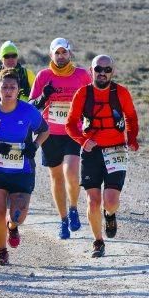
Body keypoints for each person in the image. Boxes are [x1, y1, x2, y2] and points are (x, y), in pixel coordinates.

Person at [0, 69, 50, 266]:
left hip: (22, 171)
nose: (8, 91)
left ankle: (12, 226)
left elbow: (44, 130)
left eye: (12, 87)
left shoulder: (28, 111)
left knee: (19, 214)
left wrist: (34, 145)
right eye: (4, 87)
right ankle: (2, 251)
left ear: (18, 90)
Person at [66, 55, 140, 258]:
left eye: (107, 70)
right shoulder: (83, 93)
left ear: (112, 72)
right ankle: (98, 241)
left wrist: (132, 138)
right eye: (98, 68)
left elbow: (131, 117)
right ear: (91, 70)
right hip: (91, 152)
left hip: (116, 150)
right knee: (92, 201)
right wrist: (83, 141)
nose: (102, 73)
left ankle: (110, 214)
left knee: (110, 201)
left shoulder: (121, 92)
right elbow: (70, 124)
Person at [28, 37, 91, 240]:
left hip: (73, 131)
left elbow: (93, 99)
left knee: (71, 171)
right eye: (57, 53)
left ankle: (73, 207)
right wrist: (43, 97)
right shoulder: (43, 76)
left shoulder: (82, 75)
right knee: (56, 177)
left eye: (64, 52)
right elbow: (31, 106)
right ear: (51, 55)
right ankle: (63, 220)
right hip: (49, 133)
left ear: (70, 54)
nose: (61, 56)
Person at [0, 41, 35, 106]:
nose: (11, 59)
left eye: (14, 56)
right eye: (6, 56)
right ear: (1, 58)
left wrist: (30, 97)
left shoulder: (27, 74)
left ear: (17, 57)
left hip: (23, 113)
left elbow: (38, 94)